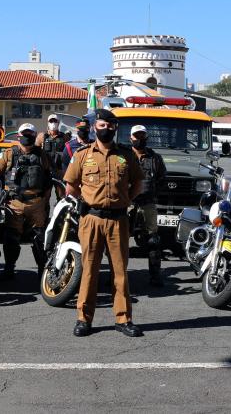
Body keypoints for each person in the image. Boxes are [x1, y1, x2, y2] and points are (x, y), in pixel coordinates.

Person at [63, 108, 144, 338]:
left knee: (120, 272)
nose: (106, 128)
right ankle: (83, 319)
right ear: (94, 127)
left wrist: (126, 200)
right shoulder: (82, 155)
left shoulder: (127, 155)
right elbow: (71, 186)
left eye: (110, 125)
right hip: (91, 219)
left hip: (119, 220)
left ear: (115, 127)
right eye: (101, 125)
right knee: (89, 271)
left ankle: (123, 319)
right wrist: (87, 202)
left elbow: (138, 183)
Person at [0, 123, 54, 280]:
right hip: (14, 203)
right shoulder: (8, 154)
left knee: (40, 238)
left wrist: (45, 200)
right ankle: (9, 269)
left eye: (30, 133)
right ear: (18, 135)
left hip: (36, 203)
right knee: (11, 237)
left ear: (34, 136)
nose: (27, 136)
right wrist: (2, 192)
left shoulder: (42, 155)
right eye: (24, 133)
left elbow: (48, 178)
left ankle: (43, 271)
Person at [129, 125, 167, 287]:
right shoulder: (124, 156)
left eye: (142, 136)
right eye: (136, 136)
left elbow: (161, 178)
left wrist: (152, 193)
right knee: (119, 240)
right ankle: (115, 276)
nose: (139, 139)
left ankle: (155, 275)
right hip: (126, 204)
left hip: (148, 204)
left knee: (153, 240)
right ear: (131, 138)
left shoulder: (155, 158)